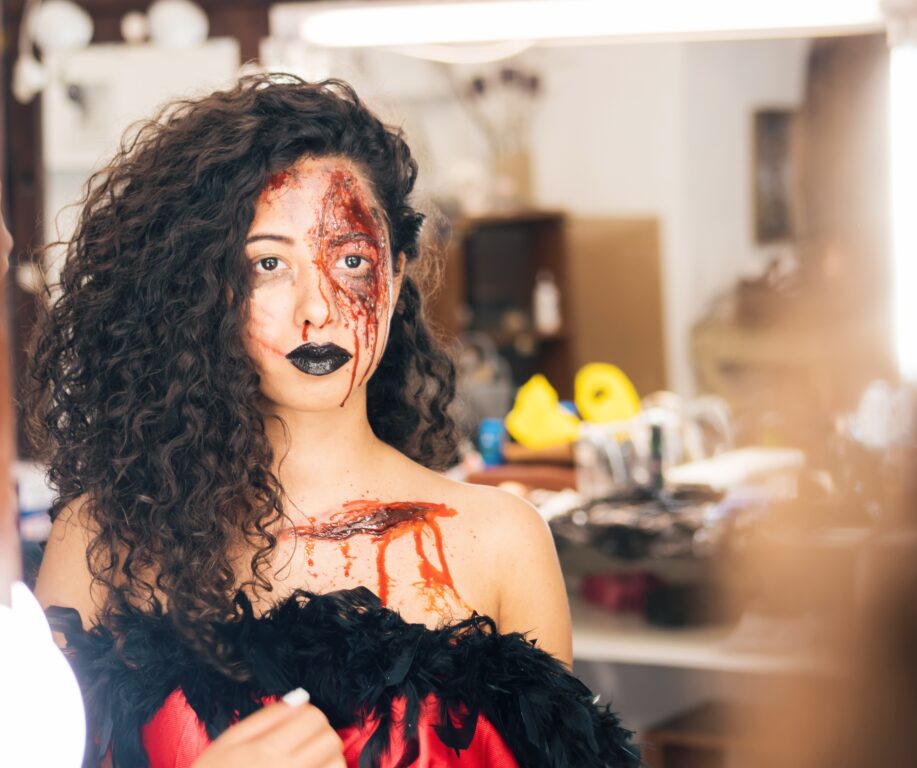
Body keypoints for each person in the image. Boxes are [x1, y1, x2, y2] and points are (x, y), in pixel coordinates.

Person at [29, 75, 638, 767]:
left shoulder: (502, 541)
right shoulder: (100, 543)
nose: (317, 307)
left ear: (397, 273)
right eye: (267, 264)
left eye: (351, 260)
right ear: (199, 290)